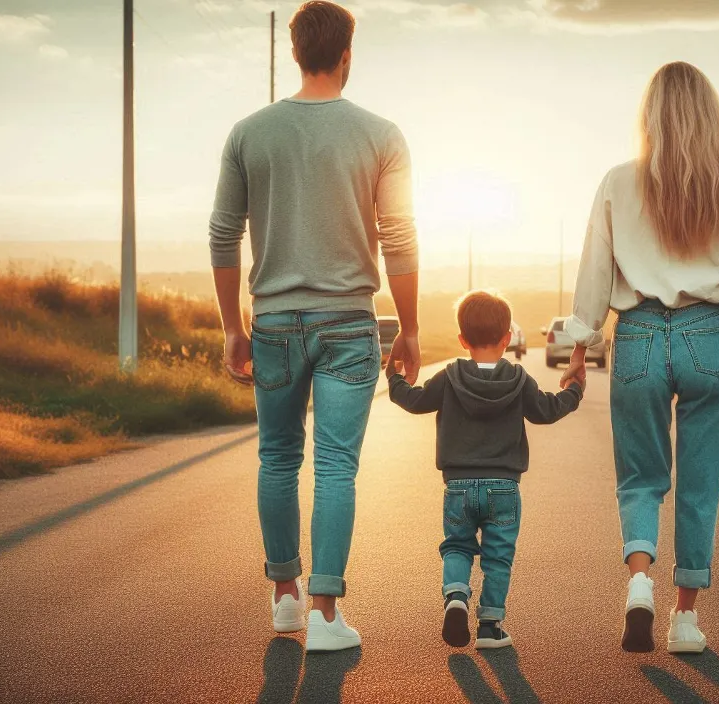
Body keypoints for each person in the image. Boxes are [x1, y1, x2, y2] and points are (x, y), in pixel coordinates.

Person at [208, 1, 421, 652]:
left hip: (272, 322)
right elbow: (400, 238)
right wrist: (409, 328)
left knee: (277, 458)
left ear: (297, 52)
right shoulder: (381, 134)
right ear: (346, 56)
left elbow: (222, 234)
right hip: (350, 323)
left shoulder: (249, 132)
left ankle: (284, 598)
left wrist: (231, 328)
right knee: (335, 467)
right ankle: (327, 614)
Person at [561, 62, 719, 654]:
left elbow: (595, 274)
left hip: (639, 337)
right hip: (709, 337)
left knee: (639, 477)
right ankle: (685, 619)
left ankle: (637, 583)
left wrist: (581, 346)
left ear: (649, 116)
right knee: (699, 485)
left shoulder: (616, 182)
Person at [387, 291, 583, 650]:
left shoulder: (449, 376)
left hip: (458, 486)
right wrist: (574, 391)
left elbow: (415, 402)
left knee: (458, 546)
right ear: (507, 338)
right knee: (498, 557)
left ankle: (457, 597)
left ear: (462, 339)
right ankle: (490, 627)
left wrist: (395, 379)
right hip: (504, 487)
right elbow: (546, 410)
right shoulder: (519, 379)